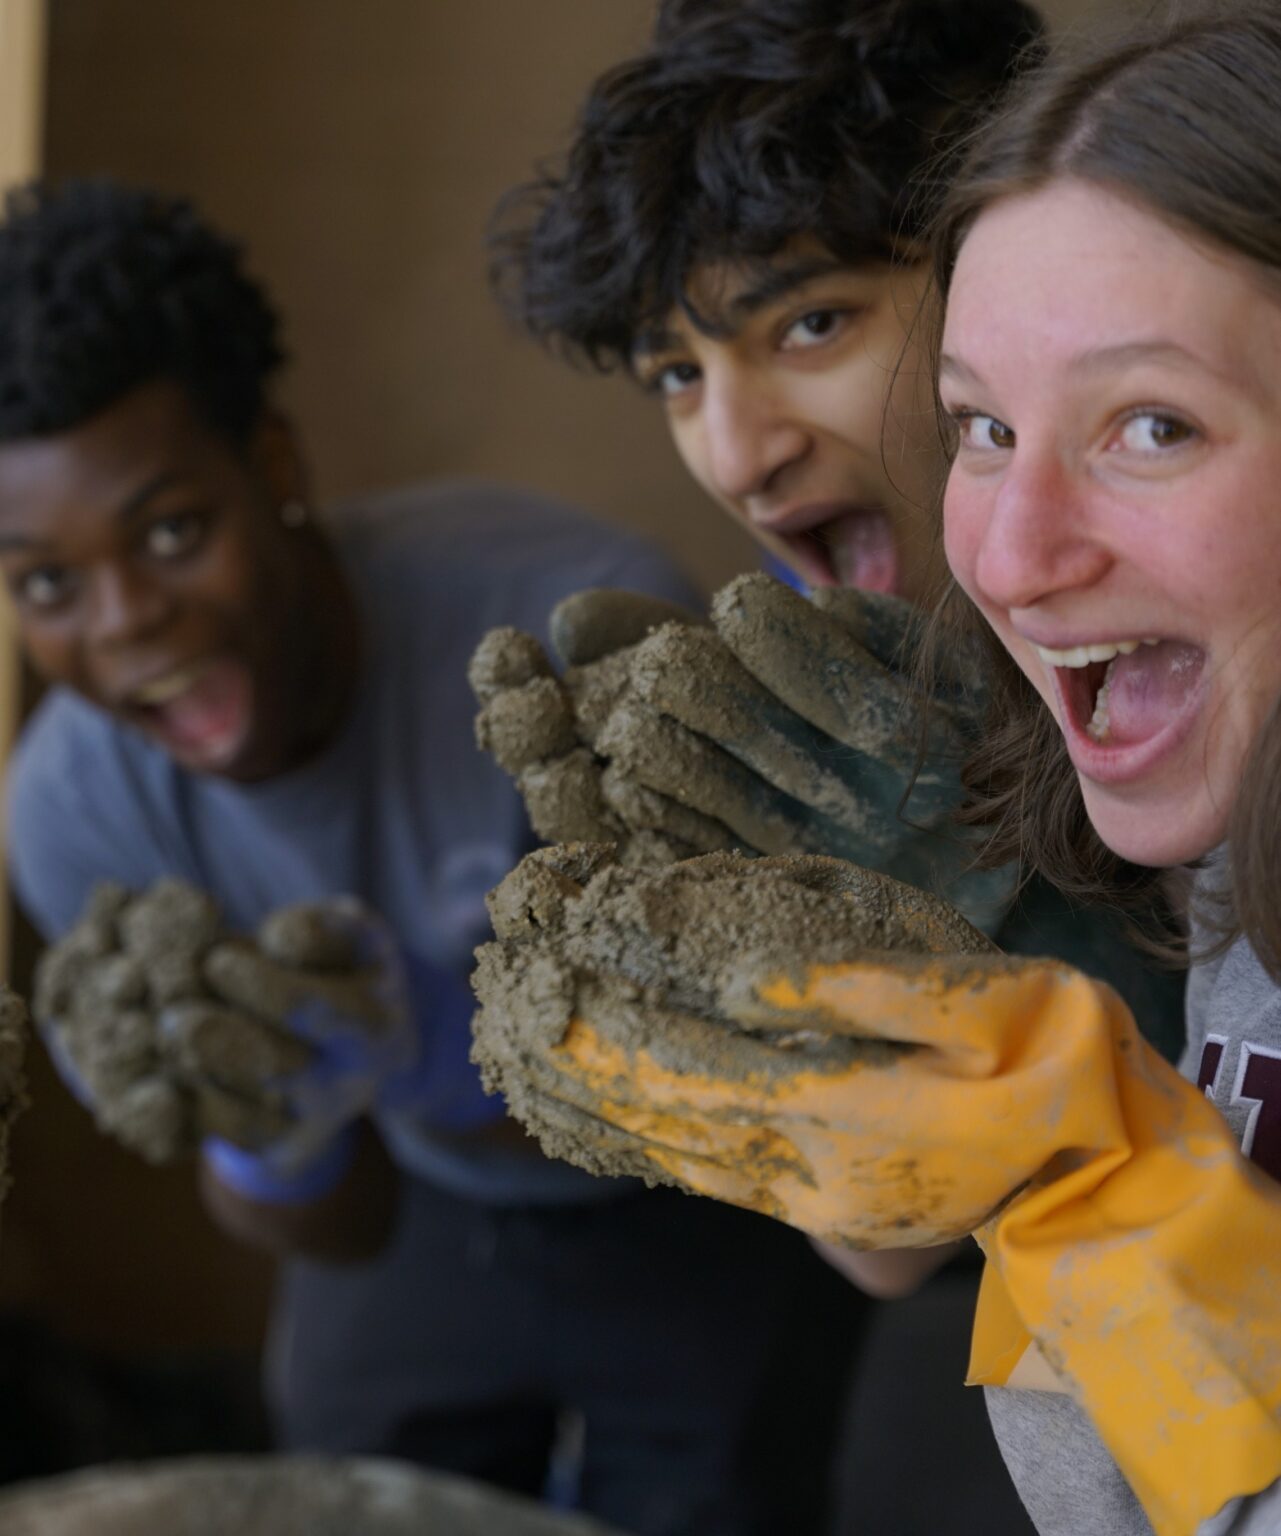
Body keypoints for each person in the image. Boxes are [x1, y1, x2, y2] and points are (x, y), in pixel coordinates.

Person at [473, 5, 1281, 1532]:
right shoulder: (1181, 753)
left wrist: (1091, 1144)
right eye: (674, 371)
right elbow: (907, 1253)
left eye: (810, 326)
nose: (735, 449)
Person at [0, 178, 868, 1536]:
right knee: (350, 1497)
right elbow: (339, 1226)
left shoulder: (553, 623)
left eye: (173, 532)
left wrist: (436, 1042)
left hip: (702, 1180)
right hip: (420, 1218)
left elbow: (730, 1066)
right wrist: (276, 1124)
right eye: (45, 582)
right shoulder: (68, 809)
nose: (126, 624)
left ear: (275, 470)